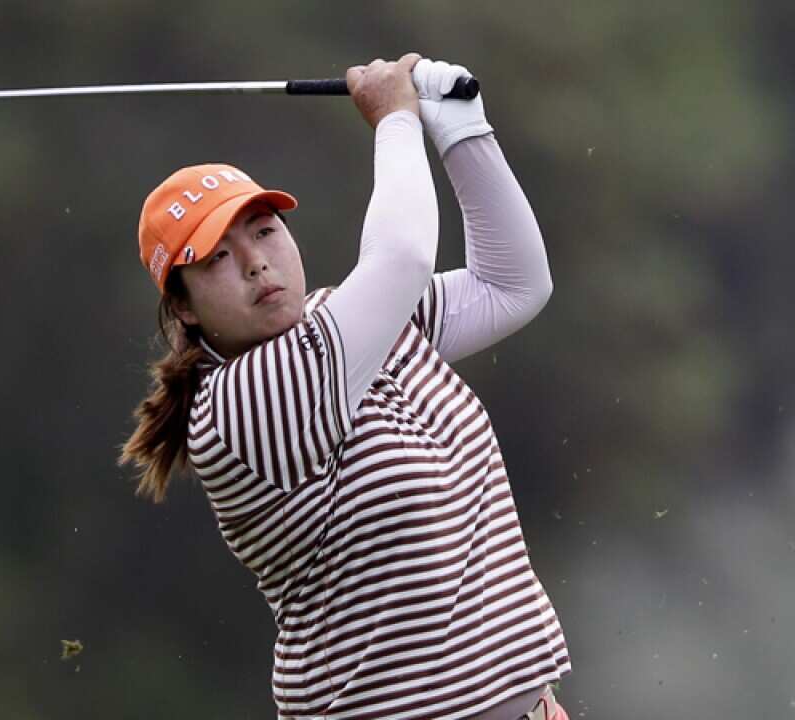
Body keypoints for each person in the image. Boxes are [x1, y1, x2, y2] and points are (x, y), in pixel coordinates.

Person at [121, 53, 571, 720]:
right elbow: (403, 255)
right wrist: (393, 120)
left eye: (265, 231)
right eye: (217, 258)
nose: (255, 263)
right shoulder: (241, 406)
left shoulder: (356, 322)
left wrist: (461, 129)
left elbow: (513, 286)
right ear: (183, 308)